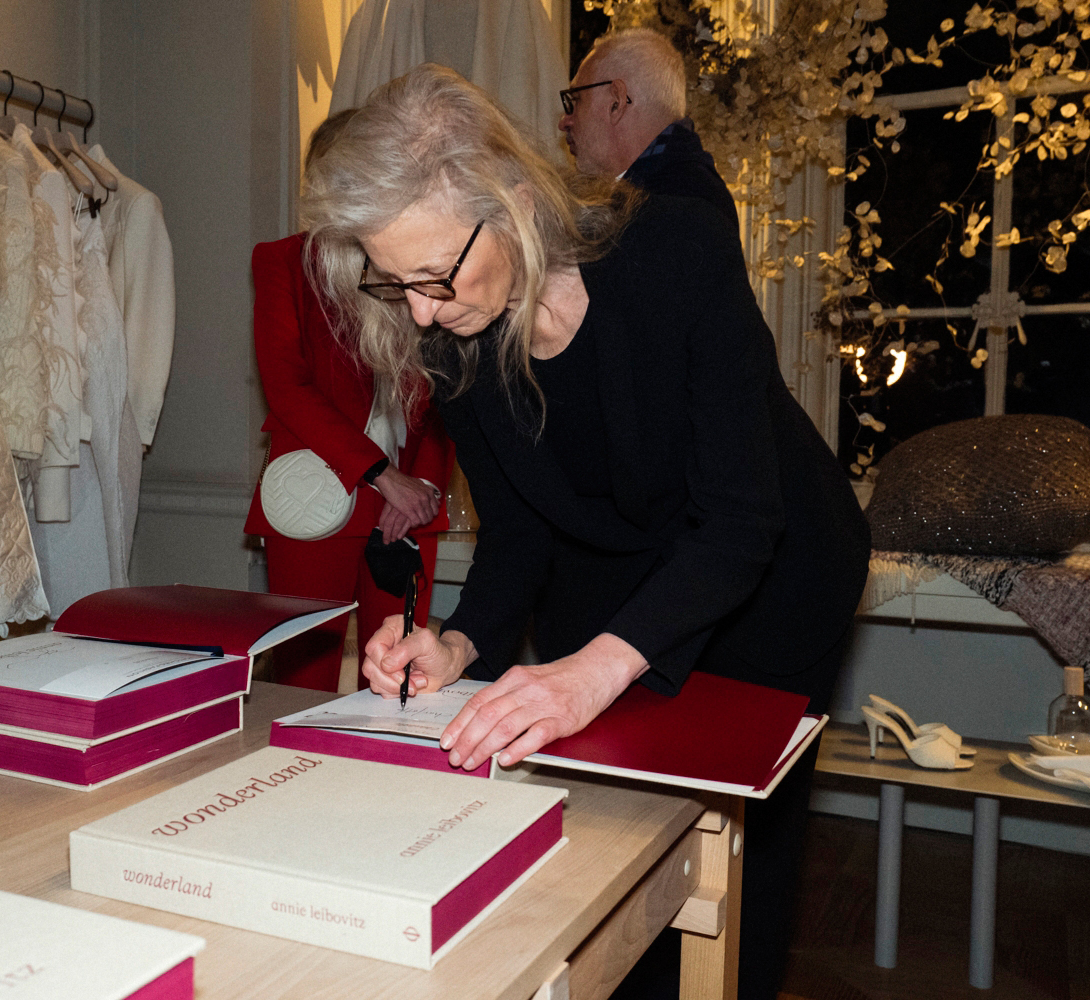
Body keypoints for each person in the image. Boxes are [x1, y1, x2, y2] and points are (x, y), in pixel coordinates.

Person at [300, 65, 869, 999]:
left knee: (728, 849)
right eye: (395, 283)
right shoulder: (451, 332)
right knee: (603, 833)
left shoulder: (677, 250)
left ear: (517, 204)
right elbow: (520, 530)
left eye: (437, 274)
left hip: (775, 565)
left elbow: (738, 518)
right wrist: (457, 642)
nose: (422, 312)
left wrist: (595, 668)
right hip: (620, 557)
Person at [244, 109, 453, 692]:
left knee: (400, 670)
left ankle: (385, 779)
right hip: (317, 490)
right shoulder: (283, 260)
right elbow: (286, 385)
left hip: (413, 498)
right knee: (303, 676)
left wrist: (425, 485)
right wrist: (384, 477)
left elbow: (447, 382)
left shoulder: (420, 255)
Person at [560, 28, 737, 225]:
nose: (564, 122)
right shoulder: (677, 192)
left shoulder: (678, 210)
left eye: (576, 100)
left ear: (616, 103)